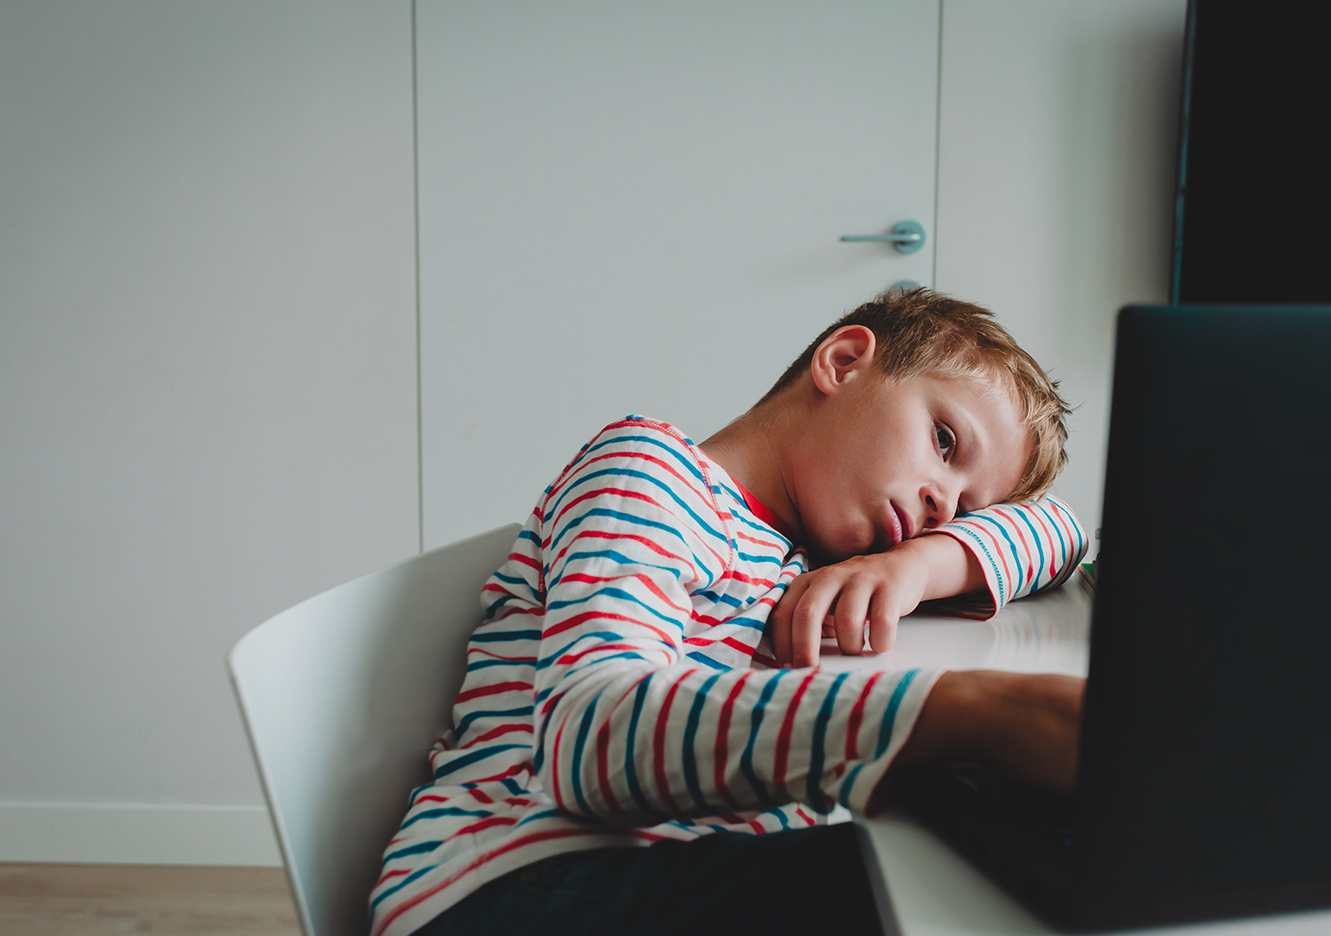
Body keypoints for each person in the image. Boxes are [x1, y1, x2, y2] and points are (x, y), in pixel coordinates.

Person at [371, 289, 1088, 936]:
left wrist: (922, 563)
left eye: (965, 510)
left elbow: (1062, 531)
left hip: (668, 876)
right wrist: (963, 707)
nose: (942, 504)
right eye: (943, 442)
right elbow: (592, 738)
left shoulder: (816, 562)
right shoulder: (650, 470)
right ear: (842, 362)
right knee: (912, 886)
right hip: (510, 884)